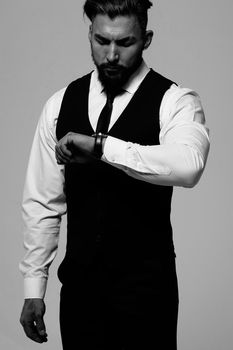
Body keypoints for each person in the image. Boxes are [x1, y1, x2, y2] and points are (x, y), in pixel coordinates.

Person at [19, 0, 210, 349]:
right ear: (90, 33)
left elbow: (189, 164)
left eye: (124, 43)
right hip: (80, 291)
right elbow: (43, 202)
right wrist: (34, 286)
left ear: (146, 39)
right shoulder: (60, 105)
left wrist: (101, 146)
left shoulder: (175, 101)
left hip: (148, 293)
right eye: (100, 40)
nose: (110, 55)